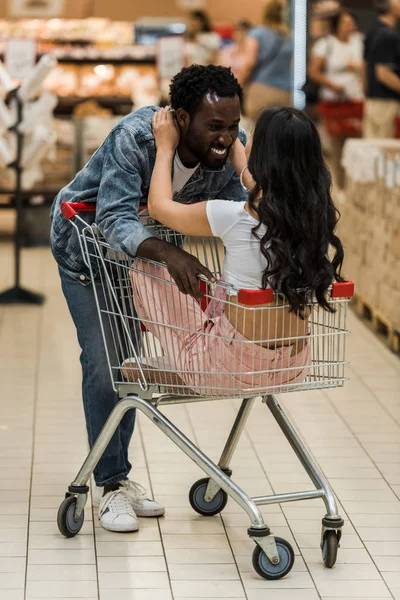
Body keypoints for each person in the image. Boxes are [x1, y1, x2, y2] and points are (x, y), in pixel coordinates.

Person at [50, 65, 247, 533]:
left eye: (233, 126)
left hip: (140, 268)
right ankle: (111, 485)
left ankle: (117, 476)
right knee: (105, 364)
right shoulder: (136, 138)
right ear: (180, 118)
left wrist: (244, 160)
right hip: (88, 257)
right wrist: (168, 253)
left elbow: (246, 206)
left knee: (131, 366)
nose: (225, 137)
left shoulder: (225, 153)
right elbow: (115, 218)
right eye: (214, 127)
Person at [129, 106, 344, 393]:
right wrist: (235, 152)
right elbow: (251, 179)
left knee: (148, 266)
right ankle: (204, 363)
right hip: (292, 367)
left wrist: (165, 146)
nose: (244, 139)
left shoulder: (234, 216)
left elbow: (159, 207)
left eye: (250, 136)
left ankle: (195, 370)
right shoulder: (313, 219)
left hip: (231, 367)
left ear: (263, 156)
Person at [309, 9, 364, 190]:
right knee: (336, 146)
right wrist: (332, 84)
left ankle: (354, 185)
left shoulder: (359, 42)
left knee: (357, 144)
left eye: (351, 23)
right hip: (333, 101)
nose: (349, 27)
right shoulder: (326, 44)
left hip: (356, 100)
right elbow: (314, 72)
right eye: (345, 23)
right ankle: (340, 186)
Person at [238, 0, 293, 121]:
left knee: (259, 131)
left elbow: (249, 63)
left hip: (262, 89)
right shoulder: (289, 36)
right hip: (286, 91)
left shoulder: (257, 33)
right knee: (281, 131)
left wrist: (238, 86)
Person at [363, 0, 400, 138]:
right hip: (385, 103)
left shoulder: (373, 31)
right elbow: (383, 74)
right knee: (384, 151)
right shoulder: (387, 36)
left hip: (373, 101)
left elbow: (364, 66)